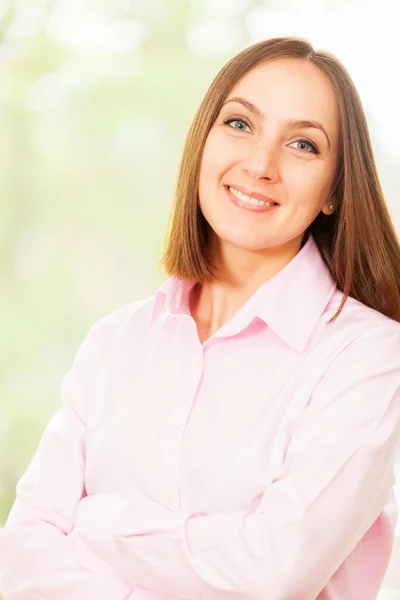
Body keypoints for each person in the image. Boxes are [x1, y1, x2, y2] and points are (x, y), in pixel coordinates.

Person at [1, 36, 400, 600]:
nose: (260, 165)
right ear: (202, 143)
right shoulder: (115, 343)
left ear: (333, 189)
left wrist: (99, 524)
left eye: (304, 145)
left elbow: (275, 570)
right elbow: (23, 547)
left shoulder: (368, 356)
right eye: (240, 125)